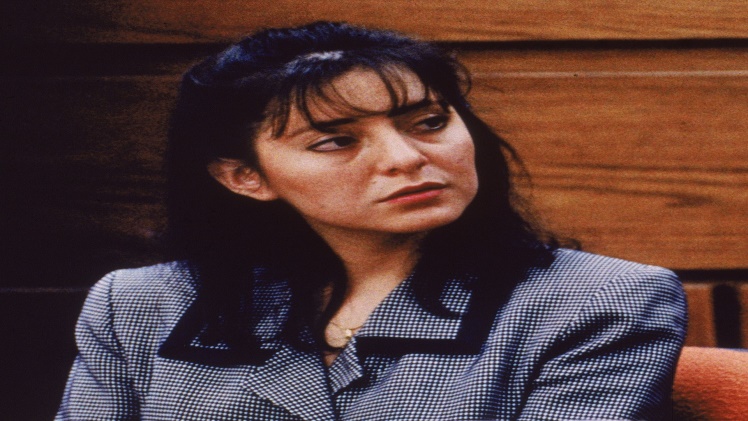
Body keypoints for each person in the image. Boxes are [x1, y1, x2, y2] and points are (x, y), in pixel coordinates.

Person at [56, 21, 687, 420]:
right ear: (245, 176)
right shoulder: (139, 305)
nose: (406, 158)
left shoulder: (602, 302)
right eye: (336, 140)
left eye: (429, 122)